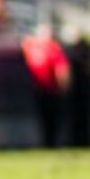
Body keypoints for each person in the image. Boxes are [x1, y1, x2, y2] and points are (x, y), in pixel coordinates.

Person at [20, 18, 70, 151]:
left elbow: (62, 69)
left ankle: (52, 143)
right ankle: (46, 143)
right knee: (44, 119)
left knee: (53, 119)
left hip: (51, 89)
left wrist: (63, 87)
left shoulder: (53, 48)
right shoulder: (33, 46)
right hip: (39, 89)